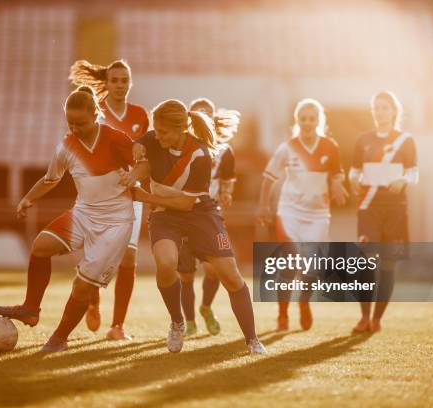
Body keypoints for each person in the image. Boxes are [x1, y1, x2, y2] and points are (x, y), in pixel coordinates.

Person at [0, 86, 138, 352]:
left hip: (115, 224)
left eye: (80, 122)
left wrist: (137, 175)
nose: (74, 128)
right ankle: (30, 308)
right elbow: (51, 178)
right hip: (83, 213)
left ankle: (59, 337)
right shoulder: (66, 145)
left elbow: (143, 161)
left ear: (95, 115)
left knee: (81, 286)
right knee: (41, 246)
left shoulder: (115, 138)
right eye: (70, 122)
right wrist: (28, 198)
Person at [125, 99, 266, 354]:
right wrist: (133, 167)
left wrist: (145, 197)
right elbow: (145, 153)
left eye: (163, 131)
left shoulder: (201, 155)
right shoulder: (154, 138)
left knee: (232, 277)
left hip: (200, 214)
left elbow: (185, 204)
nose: (158, 135)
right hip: (164, 217)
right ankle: (178, 323)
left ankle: (252, 339)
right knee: (166, 264)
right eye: (156, 130)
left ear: (181, 129)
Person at [69, 59, 150, 340]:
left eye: (124, 80)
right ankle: (93, 301)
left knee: (129, 256)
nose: (120, 85)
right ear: (107, 83)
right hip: (99, 199)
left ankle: (118, 326)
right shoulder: (95, 114)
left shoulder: (141, 115)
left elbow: (147, 158)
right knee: (98, 258)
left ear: (130, 83)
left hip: (131, 196)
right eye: (115, 80)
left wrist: (151, 194)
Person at [257, 98, 347, 331]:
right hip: (289, 213)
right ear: (297, 121)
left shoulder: (330, 147)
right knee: (290, 262)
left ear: (319, 121)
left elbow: (337, 173)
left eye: (312, 118)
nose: (307, 123)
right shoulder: (288, 147)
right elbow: (268, 177)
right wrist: (263, 206)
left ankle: (304, 302)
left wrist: (337, 184)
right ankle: (283, 314)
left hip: (318, 215)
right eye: (303, 118)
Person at [348, 91, 418, 333]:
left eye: (385, 108)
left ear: (394, 111)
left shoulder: (405, 140)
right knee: (366, 262)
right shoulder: (363, 140)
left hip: (395, 211)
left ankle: (377, 320)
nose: (380, 112)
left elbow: (413, 172)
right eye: (376, 108)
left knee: (387, 265)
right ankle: (364, 317)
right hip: (368, 208)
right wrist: (354, 179)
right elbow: (354, 170)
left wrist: (403, 179)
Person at [177, 97, 239, 337]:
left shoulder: (223, 149)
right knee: (186, 275)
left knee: (213, 270)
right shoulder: (181, 146)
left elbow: (227, 179)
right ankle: (189, 321)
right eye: (197, 113)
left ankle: (206, 307)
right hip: (181, 214)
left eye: (207, 114)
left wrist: (225, 194)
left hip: (208, 215)